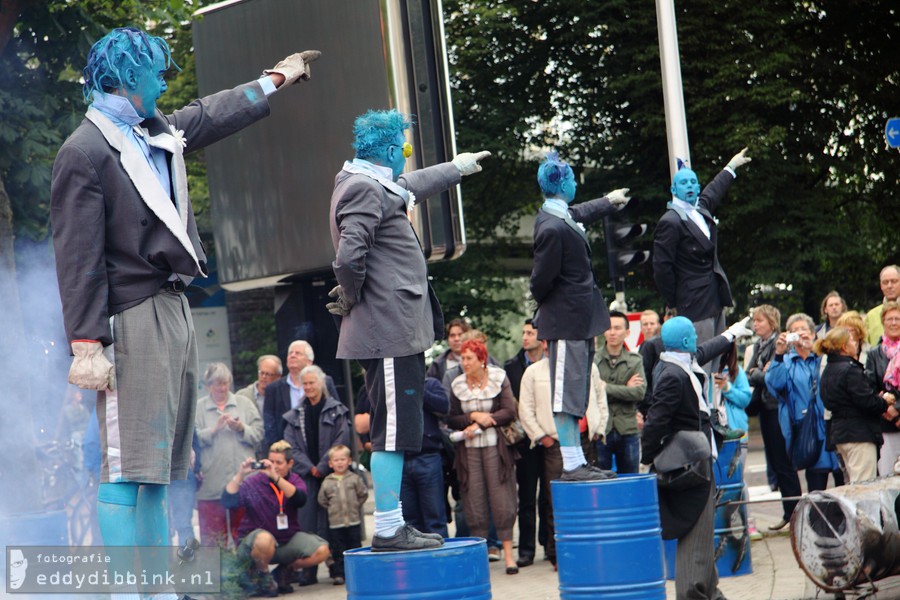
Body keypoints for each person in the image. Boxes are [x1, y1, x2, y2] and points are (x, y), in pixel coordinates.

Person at [50, 25, 319, 567]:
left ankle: (156, 582)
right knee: (126, 468)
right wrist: (85, 341)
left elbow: (215, 112)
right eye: (154, 70)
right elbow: (76, 257)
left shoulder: (156, 131)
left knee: (159, 471)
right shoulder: (83, 150)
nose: (163, 79)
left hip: (172, 306)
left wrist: (274, 80)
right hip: (128, 316)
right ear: (127, 77)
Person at [327, 107, 490, 551]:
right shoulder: (362, 188)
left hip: (391, 330)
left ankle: (391, 523)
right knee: (392, 432)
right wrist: (354, 294)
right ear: (386, 151)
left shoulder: (371, 181)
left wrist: (456, 168)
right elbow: (348, 257)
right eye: (404, 146)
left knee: (395, 430)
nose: (407, 155)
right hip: (389, 330)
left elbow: (410, 184)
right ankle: (387, 527)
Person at [529, 151, 630, 481]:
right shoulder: (552, 228)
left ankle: (576, 461)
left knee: (576, 390)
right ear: (561, 184)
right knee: (565, 394)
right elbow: (539, 281)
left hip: (578, 319)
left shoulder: (562, 216)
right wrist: (554, 306)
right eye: (572, 178)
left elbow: (581, 211)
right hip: (566, 320)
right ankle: (572, 463)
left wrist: (608, 202)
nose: (575, 182)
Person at [641, 316, 751, 600]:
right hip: (688, 468)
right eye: (693, 335)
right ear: (687, 341)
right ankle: (694, 594)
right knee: (695, 537)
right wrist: (647, 460)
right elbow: (655, 421)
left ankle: (710, 593)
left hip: (697, 464)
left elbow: (706, 350)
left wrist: (730, 334)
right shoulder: (672, 375)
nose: (697, 340)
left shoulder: (680, 362)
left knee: (701, 535)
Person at [518, 339, 608, 569]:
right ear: (546, 345)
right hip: (555, 444)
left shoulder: (589, 367)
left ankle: (590, 550)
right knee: (556, 500)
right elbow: (525, 410)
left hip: (587, 439)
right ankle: (558, 554)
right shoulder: (533, 372)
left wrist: (599, 428)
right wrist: (541, 436)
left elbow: (600, 398)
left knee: (590, 499)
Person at [652, 149, 751, 355]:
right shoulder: (670, 221)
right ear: (674, 188)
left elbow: (714, 191)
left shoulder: (701, 208)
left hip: (714, 297)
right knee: (699, 359)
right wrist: (676, 300)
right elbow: (662, 269)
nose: (689, 186)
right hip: (693, 301)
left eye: (692, 182)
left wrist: (730, 167)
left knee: (715, 359)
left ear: (697, 187)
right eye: (683, 183)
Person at [446, 339, 520, 574]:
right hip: (468, 451)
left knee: (502, 500)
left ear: (482, 359)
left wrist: (489, 420)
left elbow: (509, 411)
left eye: (469, 358)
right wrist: (474, 416)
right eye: (463, 358)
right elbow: (452, 418)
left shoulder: (499, 377)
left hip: (496, 448)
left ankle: (509, 556)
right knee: (473, 502)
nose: (464, 362)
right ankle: (480, 558)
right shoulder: (457, 384)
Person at [222, 441, 330, 597]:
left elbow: (300, 499)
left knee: (322, 550)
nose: (274, 466)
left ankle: (284, 571)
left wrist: (276, 477)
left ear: (290, 463)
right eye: (271, 462)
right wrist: (241, 474)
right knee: (264, 539)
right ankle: (263, 576)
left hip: (286, 540)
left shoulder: (294, 480)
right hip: (256, 544)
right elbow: (227, 501)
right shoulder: (254, 481)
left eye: (279, 463)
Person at [282, 365, 350, 585]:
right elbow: (291, 446)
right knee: (307, 524)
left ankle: (338, 570)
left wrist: (323, 466)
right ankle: (308, 572)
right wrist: (310, 468)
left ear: (321, 383)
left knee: (335, 525)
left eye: (313, 382)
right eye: (306, 383)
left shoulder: (337, 410)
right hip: (306, 477)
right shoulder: (294, 415)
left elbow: (341, 439)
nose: (309, 387)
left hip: (331, 476)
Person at [766, 313, 842, 504]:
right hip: (807, 433)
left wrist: (814, 350)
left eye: (804, 330)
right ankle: (818, 528)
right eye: (795, 331)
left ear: (813, 333)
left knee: (844, 484)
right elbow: (775, 386)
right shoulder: (785, 362)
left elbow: (838, 374)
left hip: (833, 427)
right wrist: (779, 354)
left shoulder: (823, 357)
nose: (800, 334)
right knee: (816, 490)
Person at [194, 363, 264, 547]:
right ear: (208, 385)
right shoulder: (198, 408)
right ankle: (215, 575)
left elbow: (259, 434)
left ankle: (250, 574)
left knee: (246, 536)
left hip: (244, 483)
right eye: (217, 384)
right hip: (211, 483)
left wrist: (241, 428)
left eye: (225, 383)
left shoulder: (244, 404)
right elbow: (191, 441)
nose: (222, 388)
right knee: (212, 538)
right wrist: (214, 430)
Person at [817, 327, 895, 482]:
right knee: (863, 486)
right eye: (852, 340)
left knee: (853, 483)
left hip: (840, 433)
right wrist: (884, 401)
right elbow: (866, 402)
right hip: (858, 433)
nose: (855, 343)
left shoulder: (828, 369)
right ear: (844, 347)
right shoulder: (850, 370)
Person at [503, 319, 548, 568]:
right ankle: (527, 549)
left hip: (550, 438)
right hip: (525, 441)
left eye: (530, 333)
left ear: (541, 338)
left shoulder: (551, 364)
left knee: (548, 497)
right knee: (527, 497)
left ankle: (548, 545)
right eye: (523, 332)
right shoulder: (511, 366)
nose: (525, 337)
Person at [264, 340, 340, 451]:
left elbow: (337, 413)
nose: (292, 355)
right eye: (290, 353)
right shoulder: (273, 388)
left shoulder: (325, 381)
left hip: (322, 446)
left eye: (298, 353)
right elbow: (270, 424)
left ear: (309, 361)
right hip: (287, 450)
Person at [595, 310, 646, 474]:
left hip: (628, 429)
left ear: (627, 332)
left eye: (617, 328)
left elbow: (639, 392)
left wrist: (605, 387)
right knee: (601, 479)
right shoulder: (593, 360)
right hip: (601, 428)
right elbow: (592, 392)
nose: (612, 332)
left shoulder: (635, 360)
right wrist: (625, 388)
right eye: (609, 328)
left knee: (630, 478)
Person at [401, 377, 451, 537]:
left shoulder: (430, 384)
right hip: (400, 459)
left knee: (435, 518)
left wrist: (417, 387)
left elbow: (444, 407)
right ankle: (417, 561)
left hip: (428, 456)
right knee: (409, 521)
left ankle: (440, 560)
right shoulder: (391, 385)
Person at [317, 445, 369, 585]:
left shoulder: (354, 479)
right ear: (330, 463)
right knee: (338, 550)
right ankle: (339, 574)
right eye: (336, 460)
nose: (340, 462)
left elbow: (363, 494)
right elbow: (322, 499)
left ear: (349, 460)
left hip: (353, 521)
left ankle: (359, 573)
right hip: (336, 523)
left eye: (343, 459)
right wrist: (333, 510)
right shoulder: (327, 482)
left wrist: (355, 506)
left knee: (355, 547)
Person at [864, 301, 900, 475]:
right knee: (887, 476)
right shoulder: (873, 354)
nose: (894, 323)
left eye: (897, 319)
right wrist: (889, 411)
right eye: (889, 319)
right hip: (885, 424)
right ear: (883, 322)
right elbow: (869, 387)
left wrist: (898, 409)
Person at [865, 266, 900, 346]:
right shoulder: (871, 316)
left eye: (894, 281)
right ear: (881, 286)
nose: (889, 286)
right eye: (885, 282)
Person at [427, 319, 470, 383]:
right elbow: (429, 389)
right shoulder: (437, 364)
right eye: (452, 335)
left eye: (460, 335)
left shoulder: (483, 358)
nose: (456, 339)